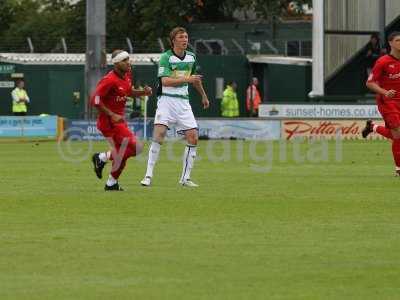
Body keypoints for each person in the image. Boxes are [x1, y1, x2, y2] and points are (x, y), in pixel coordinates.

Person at [140, 27, 210, 188]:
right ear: (173, 40)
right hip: (166, 100)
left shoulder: (192, 57)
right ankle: (148, 176)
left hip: (183, 103)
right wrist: (188, 79)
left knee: (193, 137)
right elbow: (165, 81)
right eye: (181, 37)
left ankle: (185, 179)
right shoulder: (166, 57)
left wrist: (203, 95)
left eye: (186, 37)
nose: (185, 39)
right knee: (159, 135)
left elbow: (195, 79)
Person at [90, 49, 152, 191]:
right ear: (116, 63)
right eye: (124, 60)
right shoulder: (109, 80)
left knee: (123, 153)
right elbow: (95, 100)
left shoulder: (126, 76)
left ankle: (111, 183)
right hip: (109, 123)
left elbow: (128, 92)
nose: (128, 62)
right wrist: (111, 114)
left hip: (118, 121)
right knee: (137, 147)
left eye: (128, 59)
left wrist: (143, 92)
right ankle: (102, 157)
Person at [362, 31, 400, 176]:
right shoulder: (383, 61)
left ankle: (373, 127)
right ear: (390, 43)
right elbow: (369, 83)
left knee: (397, 135)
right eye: (397, 40)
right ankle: (398, 169)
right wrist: (384, 92)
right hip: (387, 102)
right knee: (397, 132)